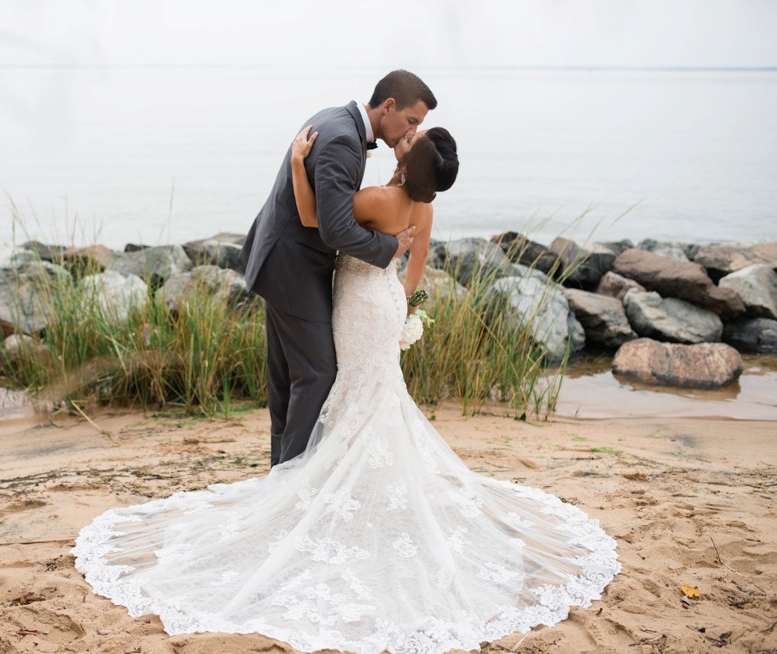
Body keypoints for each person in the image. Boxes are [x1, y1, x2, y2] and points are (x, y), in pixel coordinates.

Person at [73, 123, 621, 654]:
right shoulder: (425, 207)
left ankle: (323, 487)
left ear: (405, 164)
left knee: (350, 396)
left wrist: (295, 164)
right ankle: (366, 491)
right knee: (376, 398)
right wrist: (400, 309)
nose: (402, 141)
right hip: (385, 305)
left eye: (409, 142)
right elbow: (416, 268)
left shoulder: (379, 199)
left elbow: (318, 219)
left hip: (357, 305)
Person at [238, 69, 435, 467]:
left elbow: (325, 218)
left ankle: (282, 474)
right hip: (295, 268)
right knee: (316, 374)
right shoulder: (345, 141)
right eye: (412, 121)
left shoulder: (334, 118)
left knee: (288, 379)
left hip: (282, 261)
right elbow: (333, 227)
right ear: (389, 106)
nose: (411, 131)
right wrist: (390, 249)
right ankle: (291, 481)